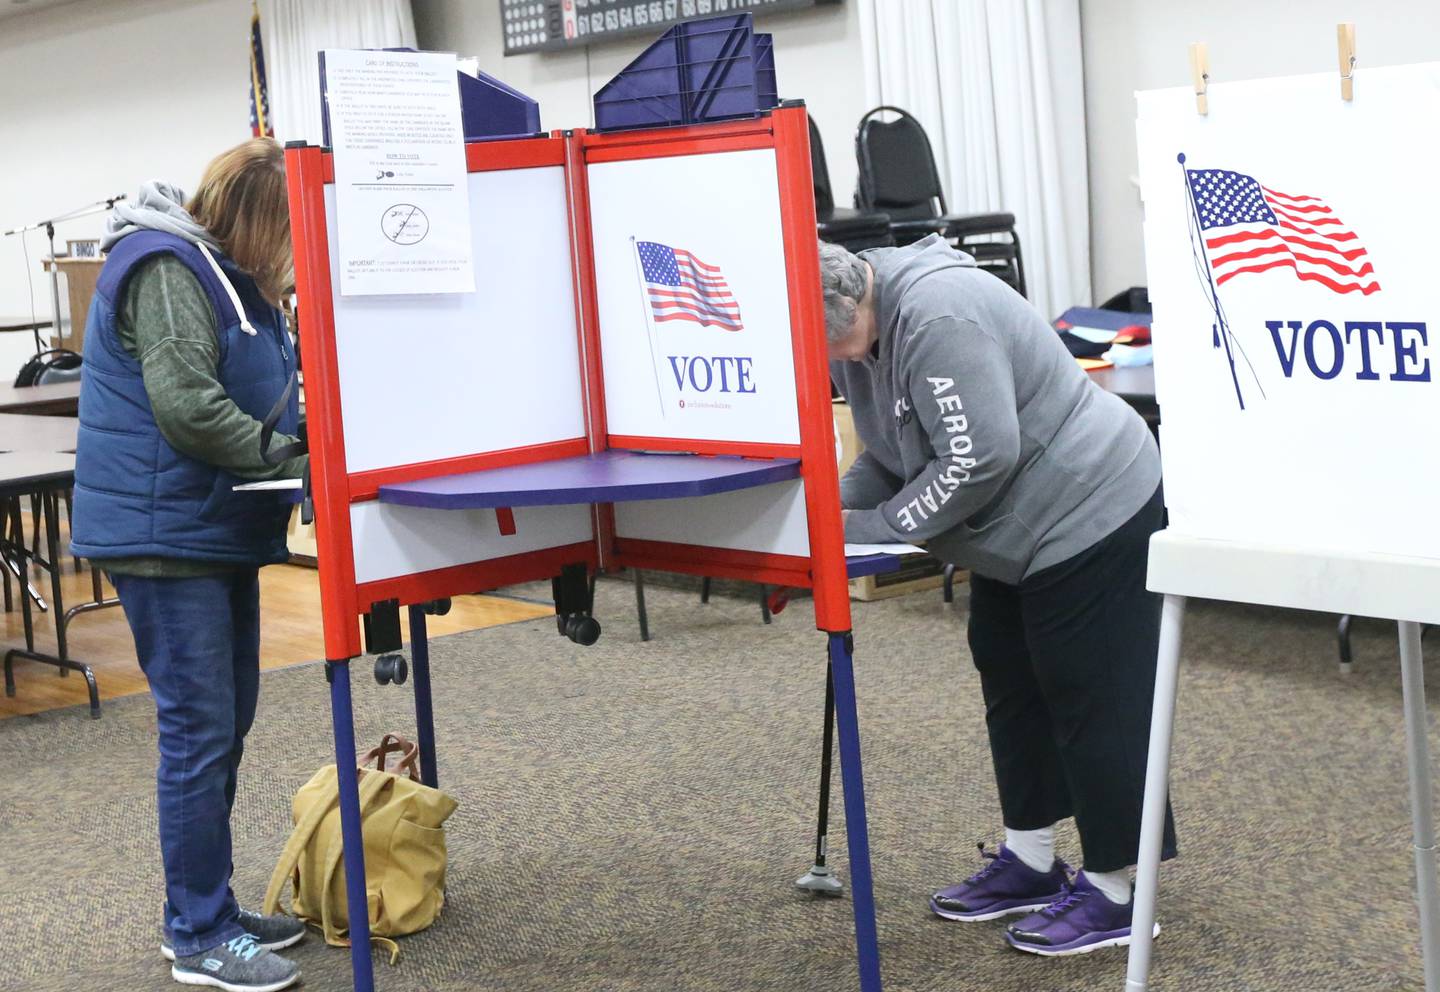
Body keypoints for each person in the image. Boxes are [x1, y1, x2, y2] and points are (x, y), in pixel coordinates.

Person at [820, 235, 1177, 957]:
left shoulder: (939, 317)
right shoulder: (863, 336)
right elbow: (888, 458)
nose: (837, 362)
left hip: (1091, 503)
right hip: (1017, 529)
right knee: (1012, 677)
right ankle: (1031, 860)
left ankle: (1118, 895)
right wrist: (825, 513)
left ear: (847, 301)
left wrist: (878, 529)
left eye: (833, 343)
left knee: (1091, 693)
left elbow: (979, 459)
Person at [71, 138, 308, 992]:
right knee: (198, 732)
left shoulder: (224, 274)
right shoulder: (166, 267)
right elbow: (189, 408)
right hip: (162, 535)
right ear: (254, 221)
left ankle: (210, 902)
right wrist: (291, 459)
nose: (291, 257)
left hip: (210, 526)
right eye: (287, 234)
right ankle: (197, 933)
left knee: (225, 721)